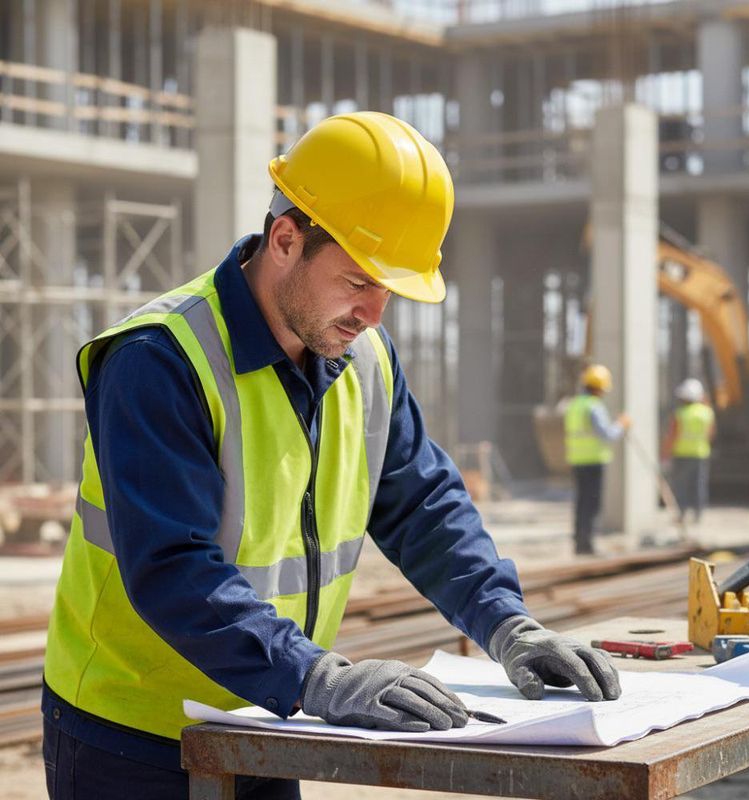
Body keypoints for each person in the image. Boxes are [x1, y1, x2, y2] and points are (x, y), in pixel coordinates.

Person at [42, 112, 621, 800]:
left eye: (390, 291)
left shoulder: (361, 358)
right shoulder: (158, 360)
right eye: (358, 282)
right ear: (285, 239)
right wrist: (318, 677)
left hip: (269, 720)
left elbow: (423, 506)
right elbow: (172, 567)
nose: (375, 314)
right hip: (132, 740)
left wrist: (506, 623)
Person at [564, 364, 630, 555]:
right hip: (593, 461)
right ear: (600, 387)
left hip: (577, 460)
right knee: (592, 504)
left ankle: (579, 542)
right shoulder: (594, 406)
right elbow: (607, 434)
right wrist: (622, 424)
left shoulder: (575, 404)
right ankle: (587, 544)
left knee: (581, 503)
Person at [662, 378, 715, 523]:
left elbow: (672, 436)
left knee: (681, 486)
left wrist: (665, 455)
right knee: (698, 485)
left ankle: (682, 513)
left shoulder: (680, 414)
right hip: (700, 454)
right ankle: (698, 514)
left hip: (682, 454)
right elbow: (710, 434)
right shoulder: (707, 413)